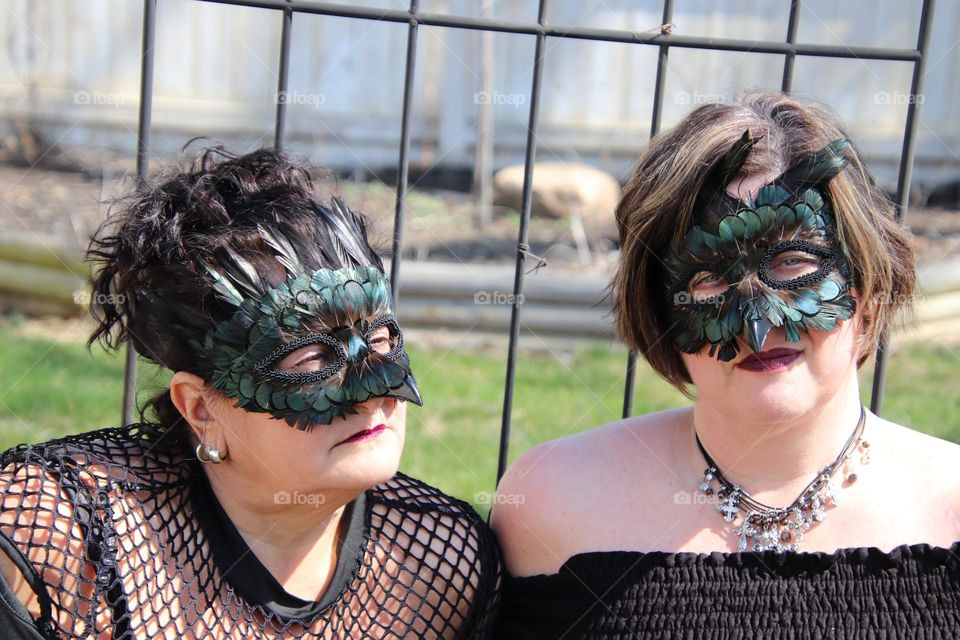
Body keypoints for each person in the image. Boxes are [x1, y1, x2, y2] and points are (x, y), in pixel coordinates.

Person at [491, 91, 960, 638]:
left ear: (867, 287)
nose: (758, 328)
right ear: (660, 311)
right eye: (709, 279)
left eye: (793, 263)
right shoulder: (554, 502)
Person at [0, 147, 501, 639]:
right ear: (200, 409)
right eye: (312, 360)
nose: (374, 395)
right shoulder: (63, 535)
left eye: (379, 339)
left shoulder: (439, 566)